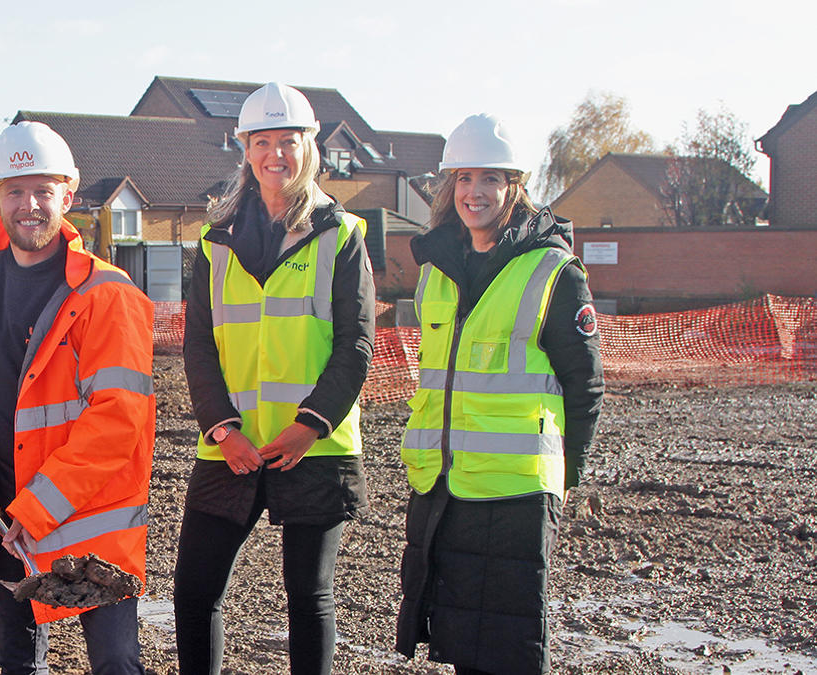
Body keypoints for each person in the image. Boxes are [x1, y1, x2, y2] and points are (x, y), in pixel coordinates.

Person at [0, 121, 157, 675]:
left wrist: (41, 505)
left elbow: (118, 419)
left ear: (67, 196)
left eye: (43, 191)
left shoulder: (106, 294)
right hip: (4, 508)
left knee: (114, 663)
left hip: (90, 521)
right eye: (15, 191)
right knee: (16, 661)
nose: (30, 205)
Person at [174, 83, 375, 675]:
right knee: (193, 594)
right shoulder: (216, 241)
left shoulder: (342, 236)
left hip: (312, 447)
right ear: (245, 149)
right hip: (229, 447)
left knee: (307, 600)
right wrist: (221, 428)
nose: (275, 155)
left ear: (309, 147)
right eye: (262, 142)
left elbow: (355, 344)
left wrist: (310, 425)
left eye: (288, 142)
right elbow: (199, 345)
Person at [394, 114, 604, 675]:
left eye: (490, 178)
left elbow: (584, 386)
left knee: (510, 651)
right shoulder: (437, 268)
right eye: (463, 179)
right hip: (445, 484)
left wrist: (566, 478)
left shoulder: (553, 269)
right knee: (460, 643)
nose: (474, 192)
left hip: (514, 494)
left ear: (515, 185)